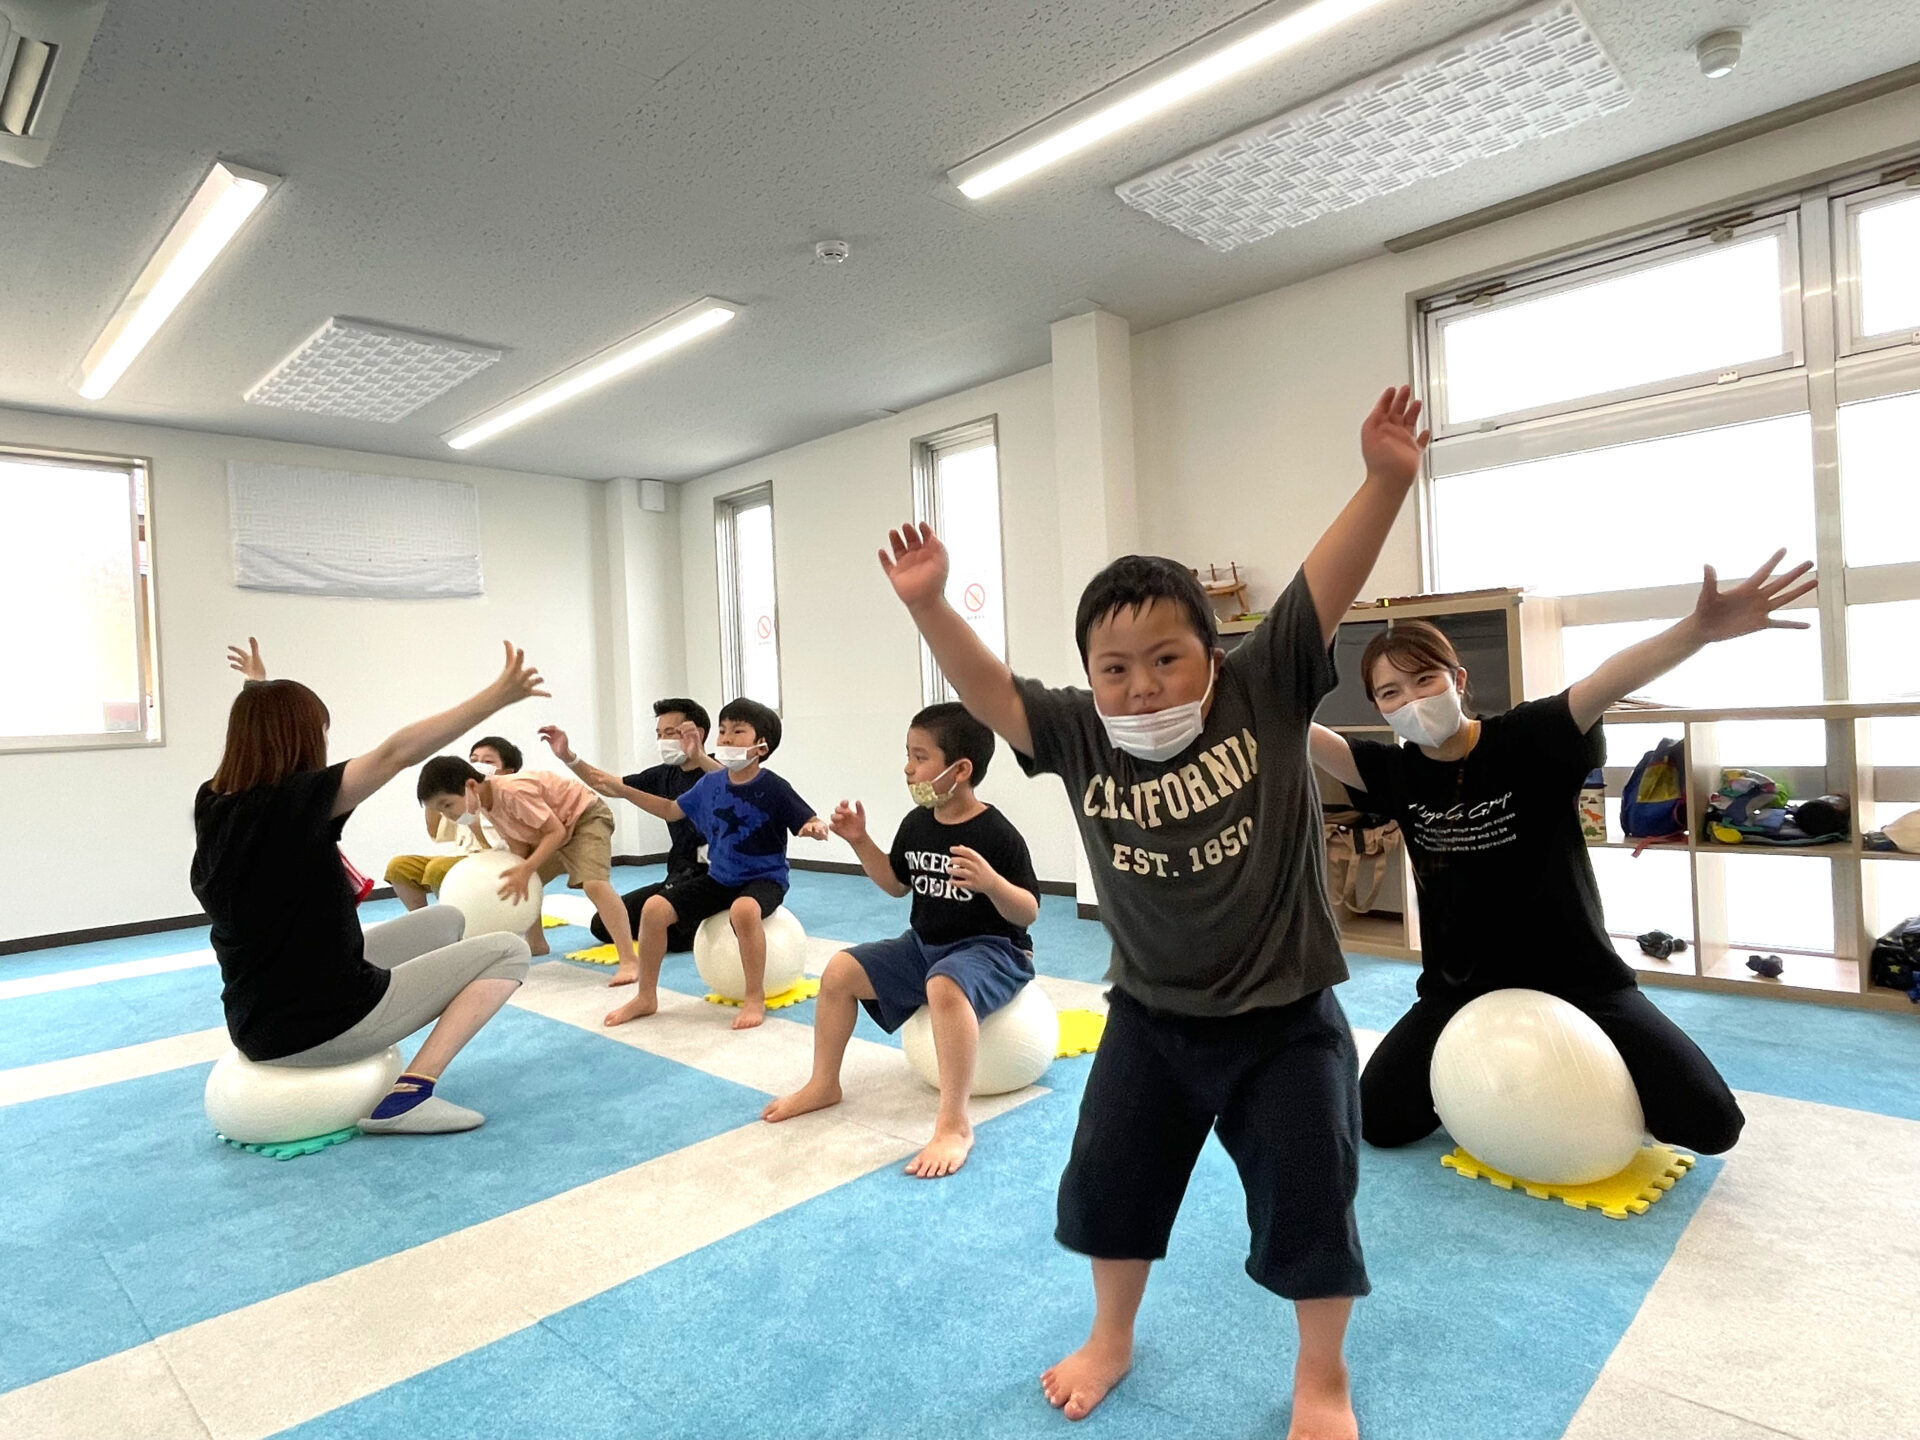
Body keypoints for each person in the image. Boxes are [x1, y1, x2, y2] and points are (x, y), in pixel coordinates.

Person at [881, 387, 1431, 1435]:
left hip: (1284, 1019)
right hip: (1149, 1016)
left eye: (1165, 660)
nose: (1140, 688)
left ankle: (1322, 1377)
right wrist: (929, 606)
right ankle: (1112, 1337)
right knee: (1111, 1190)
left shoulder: (1263, 691)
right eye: (1115, 669)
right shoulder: (1080, 733)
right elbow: (990, 688)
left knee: (1314, 1202)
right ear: (1090, 678)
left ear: (1213, 656)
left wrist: (1386, 479)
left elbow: (1326, 583)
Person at [1308, 551, 1815, 1158]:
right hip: (1461, 990)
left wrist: (1698, 630)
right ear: (1378, 710)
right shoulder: (1391, 773)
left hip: (1579, 977)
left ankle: (1604, 1093)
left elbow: (1609, 679)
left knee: (1711, 1127)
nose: (1411, 700)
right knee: (1382, 1123)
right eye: (1390, 692)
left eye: (1425, 680)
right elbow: (1295, 728)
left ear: (1458, 680)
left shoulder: (1529, 738)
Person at [191, 638, 542, 1135]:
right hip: (322, 1026)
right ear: (299, 739)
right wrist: (495, 698)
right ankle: (411, 1095)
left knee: (447, 918)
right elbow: (396, 753)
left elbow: (262, 734)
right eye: (320, 733)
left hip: (256, 1016)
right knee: (508, 950)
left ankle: (394, 1050)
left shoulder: (214, 801)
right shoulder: (296, 803)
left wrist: (258, 686)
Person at [762, 703, 1042, 1179]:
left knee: (944, 986)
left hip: (994, 950)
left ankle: (954, 1124)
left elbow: (1028, 911)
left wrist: (993, 883)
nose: (908, 768)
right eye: (907, 756)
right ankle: (823, 1083)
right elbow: (896, 883)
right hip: (925, 945)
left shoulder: (995, 832)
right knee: (839, 971)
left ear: (961, 770)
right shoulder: (918, 823)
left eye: (919, 757)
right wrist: (860, 841)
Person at [544, 698, 827, 1030]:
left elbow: (807, 817)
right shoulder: (711, 784)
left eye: (738, 732)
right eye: (724, 731)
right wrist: (623, 790)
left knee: (744, 911)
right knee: (654, 909)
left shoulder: (772, 787)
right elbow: (670, 810)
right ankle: (646, 996)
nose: (728, 739)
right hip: (719, 879)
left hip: (764, 878)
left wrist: (814, 826)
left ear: (761, 746)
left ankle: (754, 997)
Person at [416, 753, 640, 970]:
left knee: (594, 884)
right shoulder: (486, 803)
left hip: (585, 816)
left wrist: (527, 867)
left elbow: (556, 832)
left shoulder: (511, 791)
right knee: (524, 883)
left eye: (447, 805)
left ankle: (629, 959)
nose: (448, 815)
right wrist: (520, 869)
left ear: (472, 786)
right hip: (555, 828)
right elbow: (519, 842)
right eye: (440, 810)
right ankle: (536, 943)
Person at [575, 699, 720, 969]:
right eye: (659, 734)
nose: (663, 741)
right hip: (680, 876)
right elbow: (608, 784)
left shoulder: (717, 772)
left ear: (696, 734)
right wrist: (569, 757)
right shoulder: (664, 775)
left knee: (676, 937)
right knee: (602, 925)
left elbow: (737, 787)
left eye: (670, 733)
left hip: (717, 879)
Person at [384, 736, 521, 911]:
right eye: (473, 760)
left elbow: (502, 848)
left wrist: (473, 818)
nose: (478, 765)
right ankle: (424, 921)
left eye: (487, 761)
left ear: (509, 771)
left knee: (439, 869)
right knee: (399, 866)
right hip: (463, 858)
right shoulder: (462, 795)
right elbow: (435, 832)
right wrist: (434, 792)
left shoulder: (508, 797)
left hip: (496, 860)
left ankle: (457, 922)